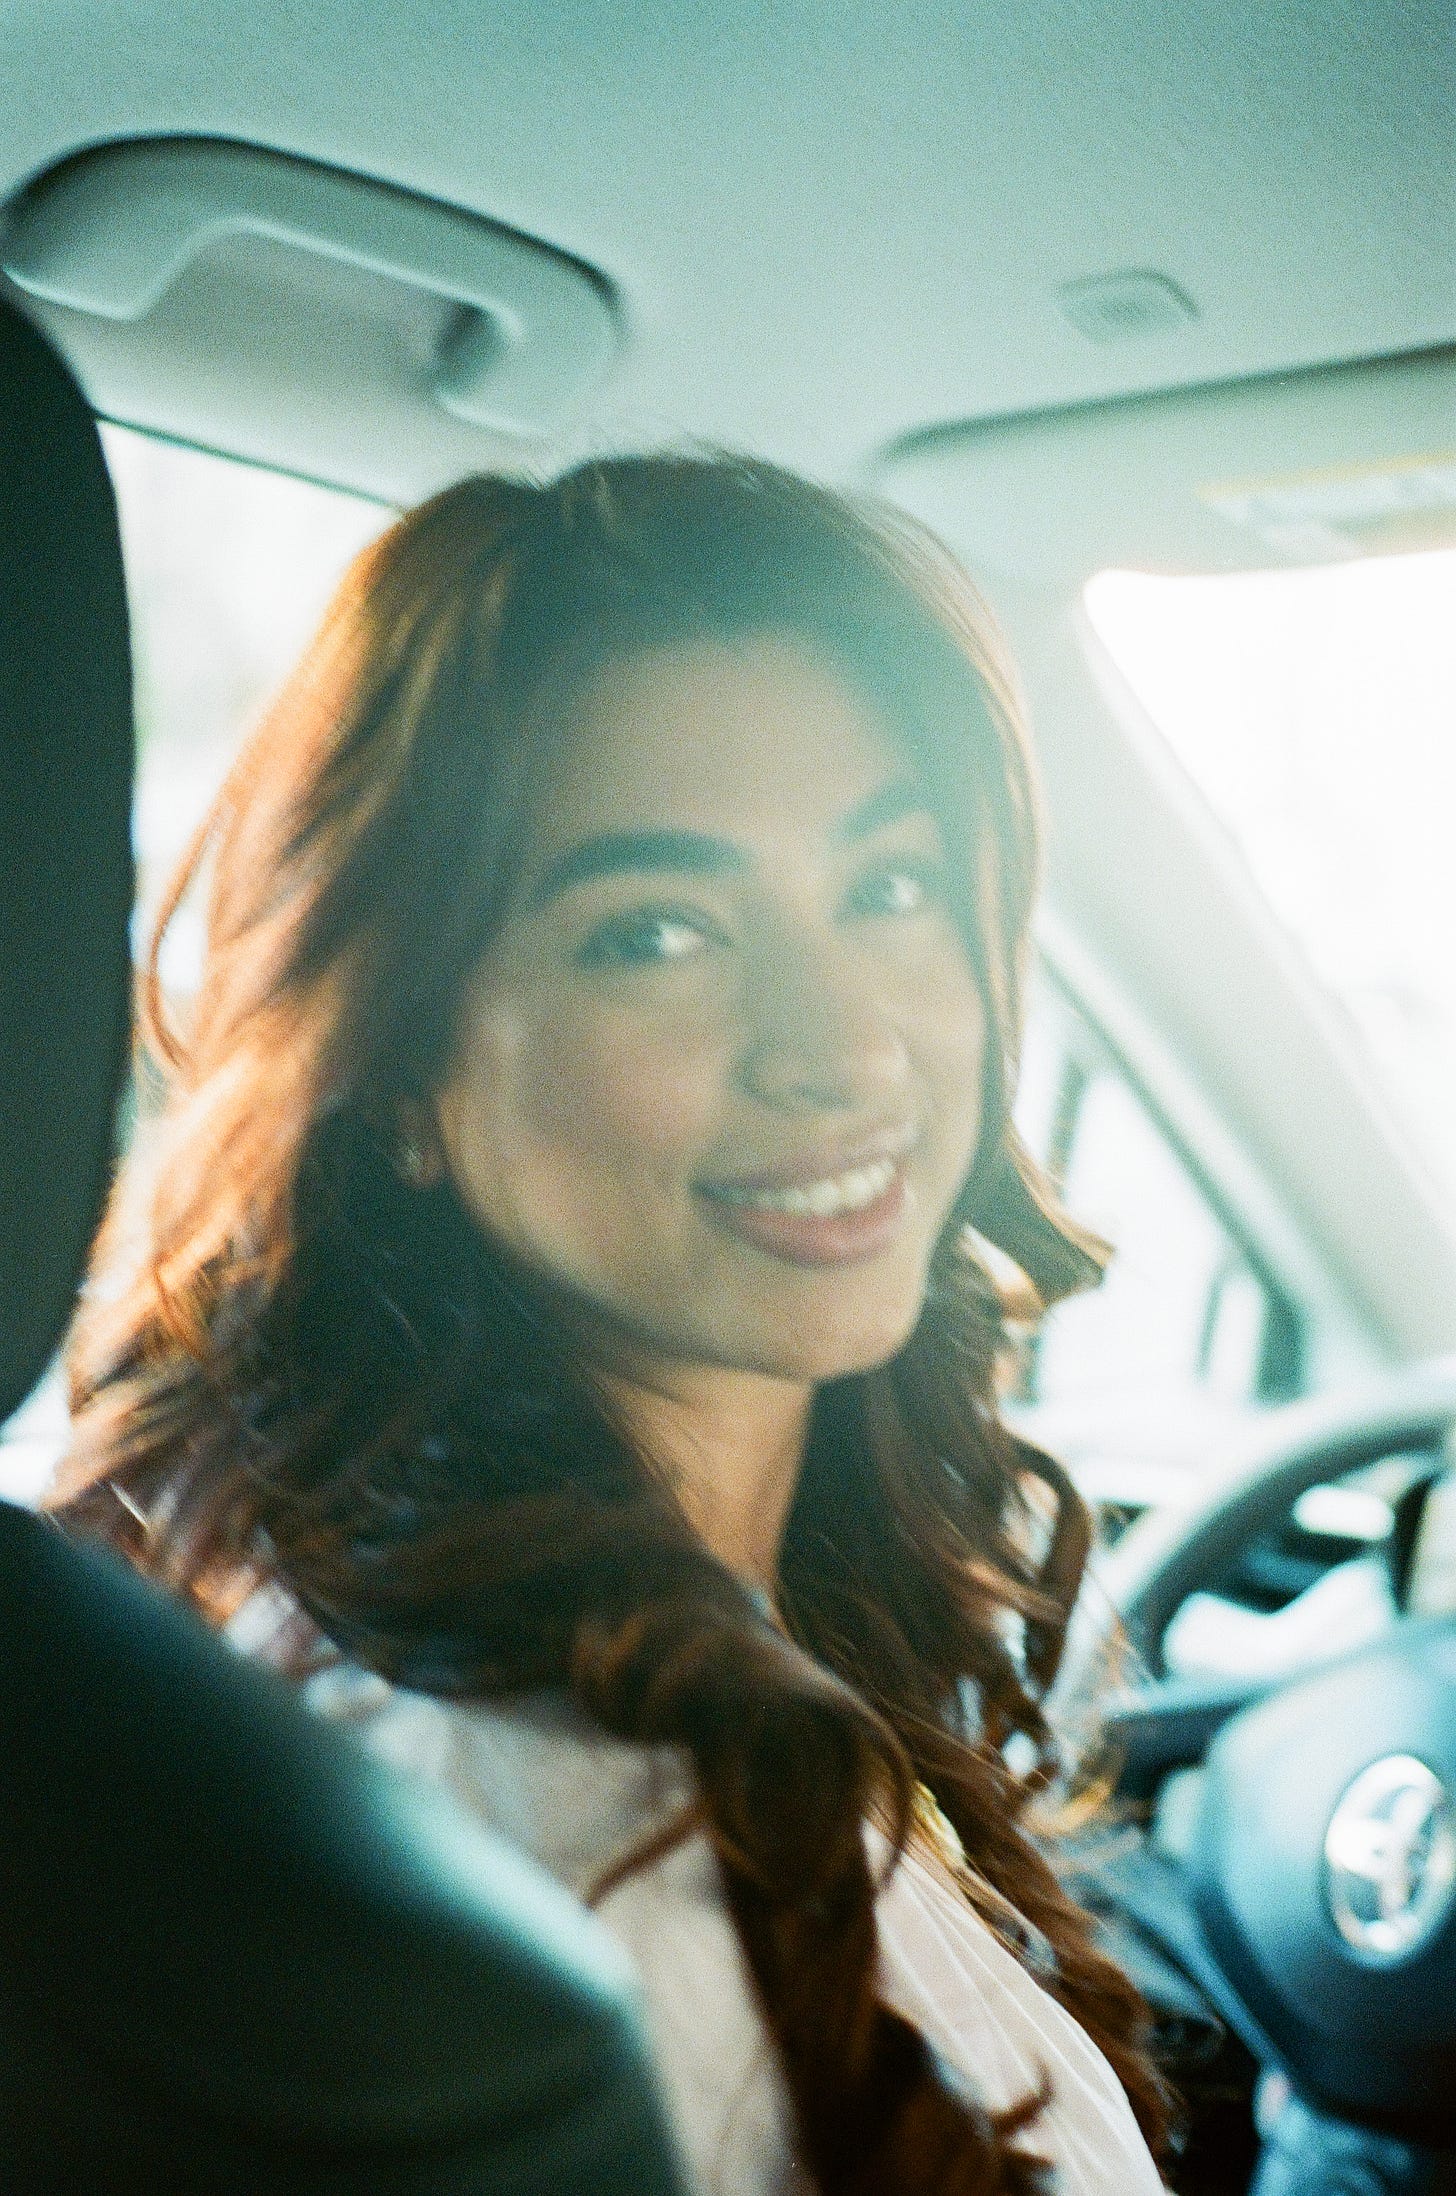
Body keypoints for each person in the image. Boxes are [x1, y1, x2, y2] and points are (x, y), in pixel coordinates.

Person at [55, 454, 1168, 2195]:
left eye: (885, 890)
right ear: (399, 1067)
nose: (843, 1046)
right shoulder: (570, 1836)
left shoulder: (417, 1638)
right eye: (658, 935)